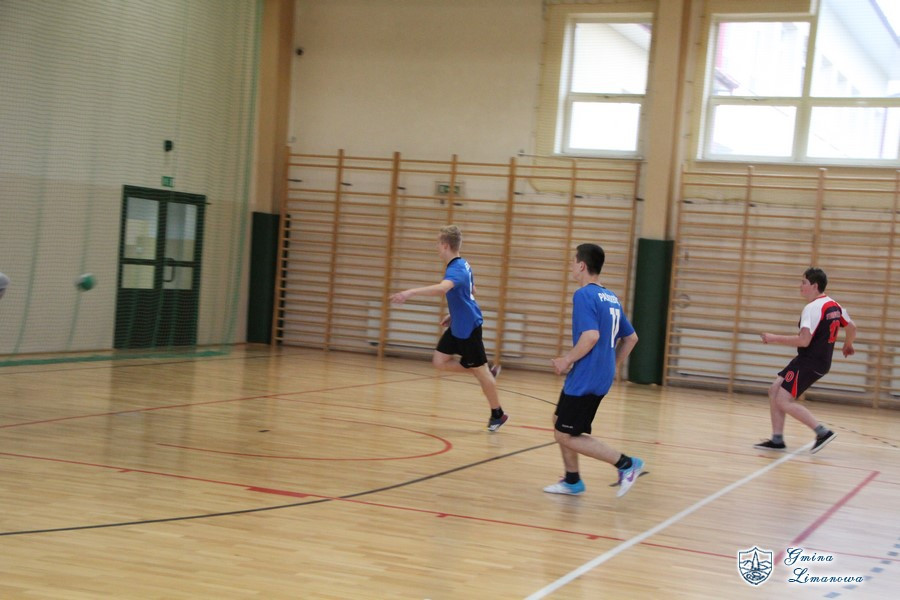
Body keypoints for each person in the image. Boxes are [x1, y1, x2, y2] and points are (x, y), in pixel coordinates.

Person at [543, 243, 642, 497]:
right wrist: (611, 365)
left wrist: (566, 360)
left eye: (572, 261)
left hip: (586, 376)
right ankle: (572, 480)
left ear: (582, 265)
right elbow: (631, 338)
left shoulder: (584, 295)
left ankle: (626, 464)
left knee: (565, 435)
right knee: (559, 422)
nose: (571, 266)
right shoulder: (611, 297)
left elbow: (591, 336)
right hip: (596, 375)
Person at [389, 225, 507, 431]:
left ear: (445, 245)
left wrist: (409, 293)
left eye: (438, 243)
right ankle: (483, 371)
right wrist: (454, 314)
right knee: (440, 361)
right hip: (458, 323)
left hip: (469, 328)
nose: (436, 247)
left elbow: (442, 289)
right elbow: (471, 290)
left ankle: (497, 414)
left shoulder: (456, 269)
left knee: (481, 372)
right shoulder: (462, 264)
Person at [755, 268, 856, 454]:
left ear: (814, 286)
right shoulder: (834, 305)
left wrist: (773, 338)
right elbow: (852, 327)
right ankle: (777, 440)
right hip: (815, 360)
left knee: (783, 400)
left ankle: (822, 432)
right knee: (775, 389)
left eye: (803, 282)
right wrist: (848, 344)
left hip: (810, 361)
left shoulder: (812, 308)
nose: (800, 286)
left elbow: (804, 340)